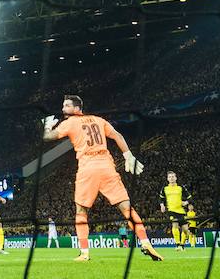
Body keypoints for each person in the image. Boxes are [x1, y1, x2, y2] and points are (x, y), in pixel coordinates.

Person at [42, 95, 162, 262]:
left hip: (87, 167)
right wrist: (128, 155)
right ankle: (145, 242)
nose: (63, 109)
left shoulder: (69, 123)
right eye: (63, 105)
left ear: (77, 108)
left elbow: (47, 138)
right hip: (107, 165)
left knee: (81, 211)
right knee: (127, 208)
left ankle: (84, 253)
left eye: (67, 105)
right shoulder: (99, 120)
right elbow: (118, 136)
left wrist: (47, 127)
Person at [159, 171, 193, 251]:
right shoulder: (165, 188)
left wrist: (186, 202)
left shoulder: (180, 187)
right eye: (170, 177)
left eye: (173, 176)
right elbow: (161, 198)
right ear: (167, 179)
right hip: (171, 210)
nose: (171, 178)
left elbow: (190, 197)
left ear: (176, 178)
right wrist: (162, 205)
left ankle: (182, 245)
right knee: (175, 225)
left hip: (181, 211)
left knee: (185, 229)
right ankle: (177, 244)